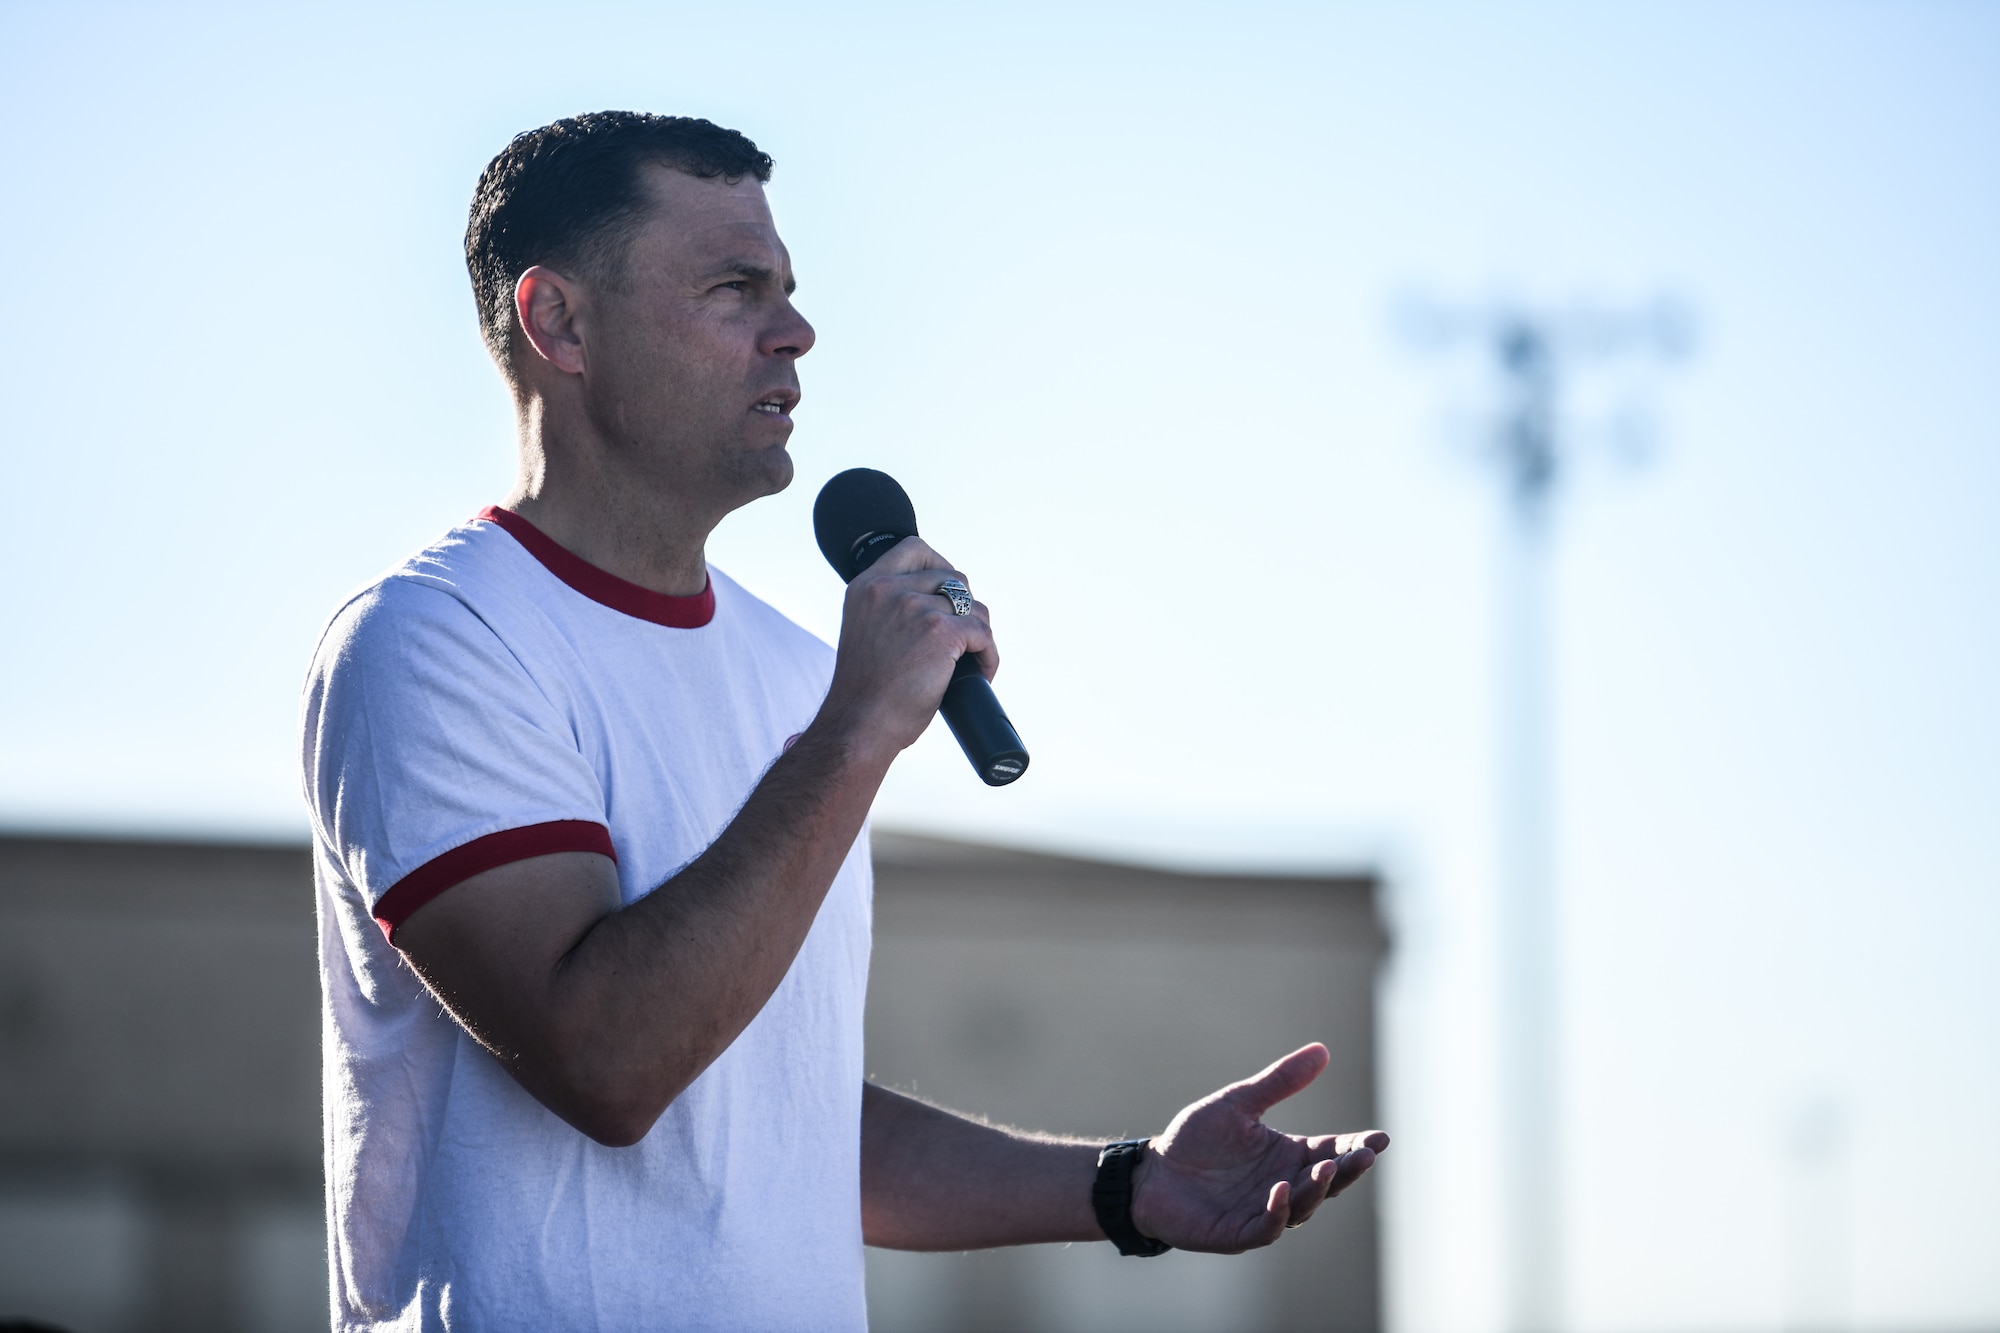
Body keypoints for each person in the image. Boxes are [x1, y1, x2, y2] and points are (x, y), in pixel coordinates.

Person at [301, 110, 1388, 1331]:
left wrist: (1131, 1185)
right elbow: (610, 1064)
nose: (796, 332)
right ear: (558, 321)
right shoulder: (437, 639)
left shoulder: (787, 668)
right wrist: (853, 733)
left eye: (789, 290)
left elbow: (773, 1120)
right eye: (732, 287)